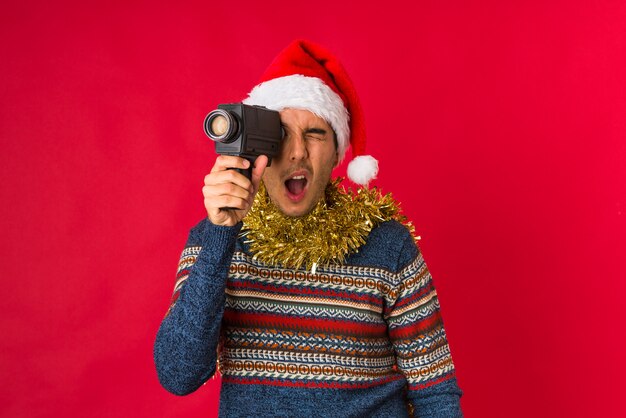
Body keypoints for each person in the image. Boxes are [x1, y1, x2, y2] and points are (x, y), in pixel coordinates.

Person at [154, 39, 463, 417]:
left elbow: (437, 394)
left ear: (337, 152)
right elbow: (177, 374)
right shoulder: (212, 239)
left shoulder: (389, 245)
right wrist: (222, 234)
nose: (298, 151)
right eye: (281, 133)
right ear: (258, 148)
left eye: (315, 133)